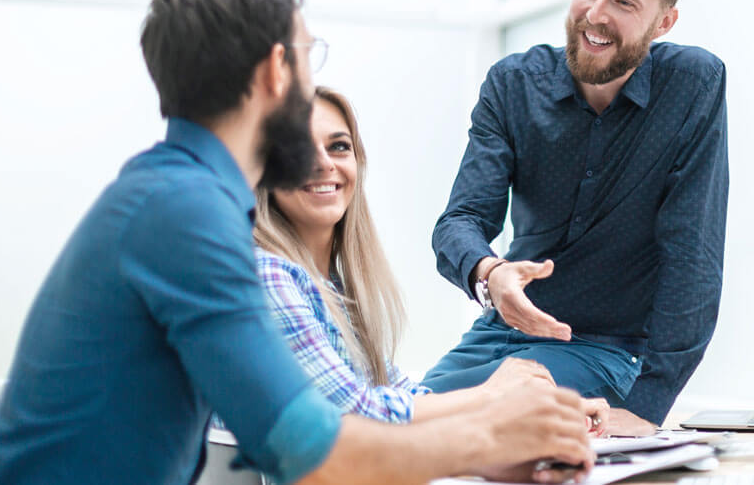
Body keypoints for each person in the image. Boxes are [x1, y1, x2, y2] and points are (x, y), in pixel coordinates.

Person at [0, 0, 595, 484]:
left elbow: (312, 426)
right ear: (277, 70)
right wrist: (491, 439)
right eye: (307, 59)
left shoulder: (174, 197)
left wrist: (492, 438)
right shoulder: (185, 214)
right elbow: (311, 453)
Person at [424, 0, 728, 434]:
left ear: (663, 22)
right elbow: (460, 220)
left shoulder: (692, 84)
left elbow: (692, 253)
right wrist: (491, 274)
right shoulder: (513, 84)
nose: (595, 14)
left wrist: (649, 407)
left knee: (438, 425)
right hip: (499, 334)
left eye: (624, 3)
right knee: (380, 422)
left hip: (606, 351)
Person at [252, 86, 610, 432]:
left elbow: (399, 396)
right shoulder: (266, 275)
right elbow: (354, 414)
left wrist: (534, 409)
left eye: (339, 147)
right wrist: (492, 395)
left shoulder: (333, 289)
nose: (323, 163)